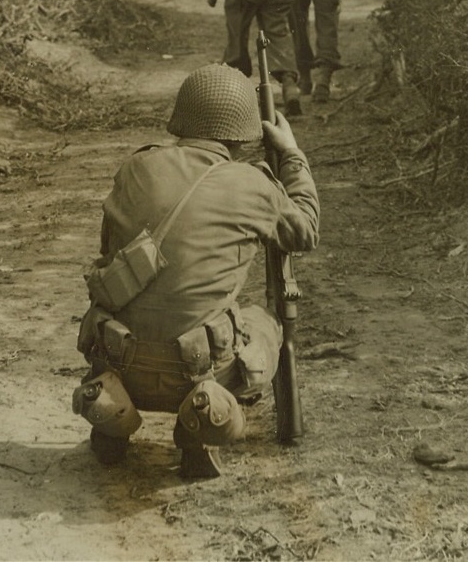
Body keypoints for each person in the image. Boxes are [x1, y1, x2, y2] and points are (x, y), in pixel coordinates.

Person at [73, 63, 319, 479]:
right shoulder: (252, 184)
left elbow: (107, 253)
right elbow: (306, 230)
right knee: (265, 322)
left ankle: (113, 416)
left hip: (120, 360)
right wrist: (291, 155)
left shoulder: (135, 168)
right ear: (244, 130)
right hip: (198, 368)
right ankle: (201, 426)